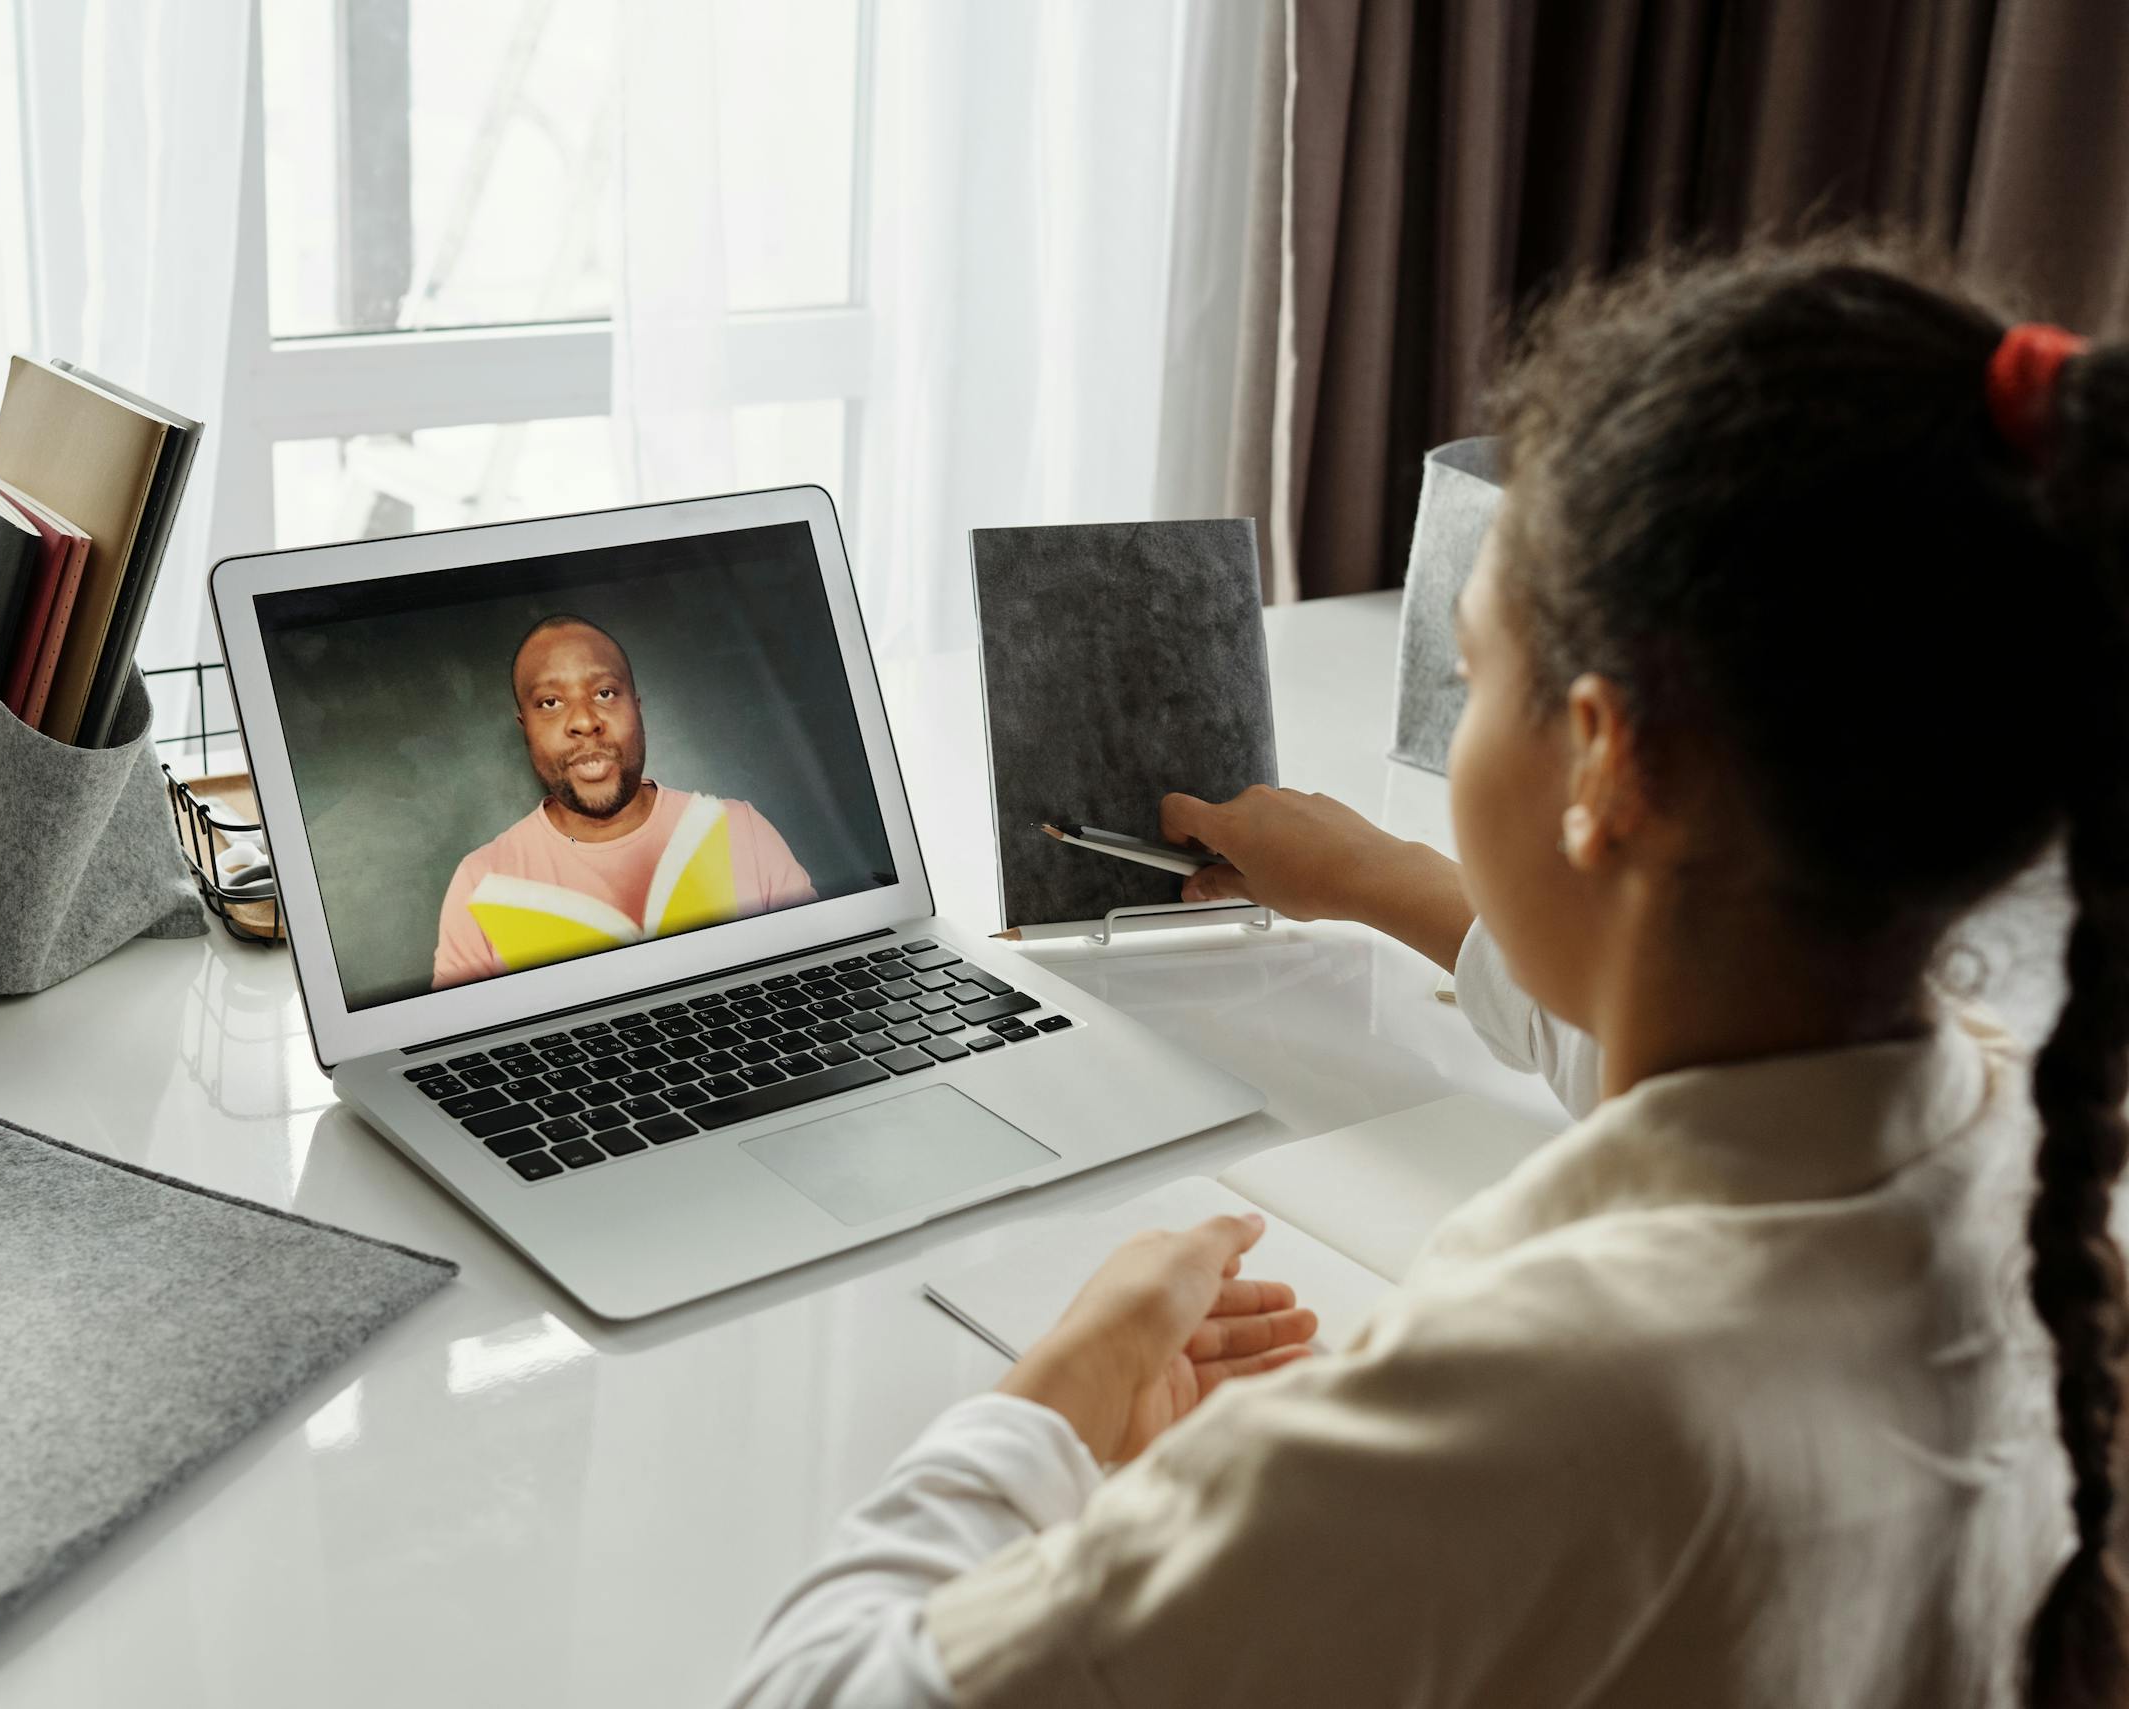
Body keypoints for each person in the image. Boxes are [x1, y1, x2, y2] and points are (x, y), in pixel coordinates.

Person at [723, 240, 2127, 1707]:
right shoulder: (2023, 1161)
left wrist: (1056, 1392)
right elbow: (1693, 1033)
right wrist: (1375, 881)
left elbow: (820, 1692)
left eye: (1475, 675)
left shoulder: (1531, 1416)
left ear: (1604, 755)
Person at [432, 613, 817, 990]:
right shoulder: (480, 884)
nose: (584, 721)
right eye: (550, 702)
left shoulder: (740, 830)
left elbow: (816, 979)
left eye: (604, 693)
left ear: (636, 706)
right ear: (525, 728)